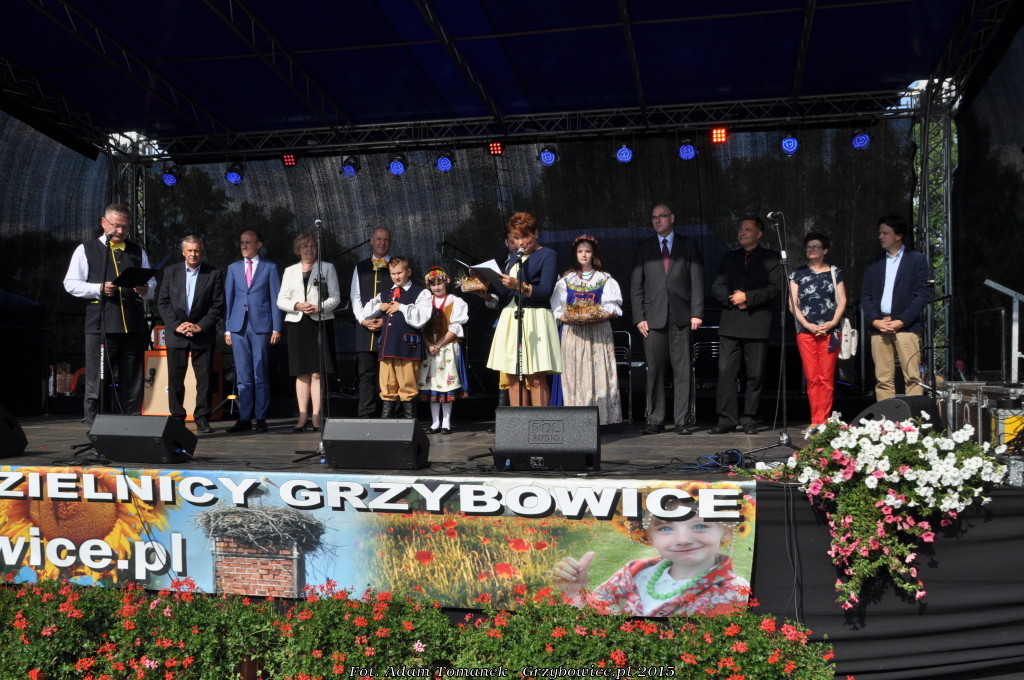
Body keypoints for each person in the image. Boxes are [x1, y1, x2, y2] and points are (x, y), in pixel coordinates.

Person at [550, 491, 751, 617]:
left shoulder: (733, 592)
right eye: (666, 528)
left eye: (699, 526)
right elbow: (592, 622)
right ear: (648, 536)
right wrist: (577, 592)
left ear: (726, 530)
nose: (683, 539)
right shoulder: (634, 572)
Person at [63, 203, 156, 426]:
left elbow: (152, 284)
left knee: (133, 381)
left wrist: (146, 289)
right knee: (98, 381)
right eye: (117, 226)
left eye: (125, 227)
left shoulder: (137, 251)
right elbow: (70, 283)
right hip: (101, 327)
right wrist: (98, 288)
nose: (121, 231)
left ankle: (131, 425)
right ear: (104, 223)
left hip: (133, 326)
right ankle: (96, 426)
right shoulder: (86, 249)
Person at [631, 204, 705, 434]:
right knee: (654, 369)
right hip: (652, 318)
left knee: (682, 369)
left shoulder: (688, 244)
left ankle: (682, 421)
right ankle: (655, 419)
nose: (658, 220)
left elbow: (697, 280)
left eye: (662, 216)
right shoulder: (644, 247)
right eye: (654, 217)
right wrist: (639, 317)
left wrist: (697, 312)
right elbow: (636, 285)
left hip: (682, 316)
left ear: (672, 217)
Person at [709, 216, 782, 435]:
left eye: (747, 229)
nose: (742, 232)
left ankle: (750, 418)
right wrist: (733, 298)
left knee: (755, 374)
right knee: (726, 372)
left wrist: (748, 298)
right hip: (731, 322)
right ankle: (726, 419)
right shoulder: (729, 257)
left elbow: (775, 288)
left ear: (759, 234)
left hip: (757, 322)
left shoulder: (771, 258)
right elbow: (718, 285)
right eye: (740, 229)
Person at [485, 212, 561, 406]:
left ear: (536, 233)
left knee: (536, 377)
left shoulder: (548, 255)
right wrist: (485, 291)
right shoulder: (513, 258)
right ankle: (518, 423)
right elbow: (505, 292)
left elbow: (545, 291)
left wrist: (519, 285)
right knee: (512, 376)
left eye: (525, 236)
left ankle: (541, 422)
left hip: (535, 316)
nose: (520, 242)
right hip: (511, 316)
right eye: (516, 238)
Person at [156, 235, 225, 433]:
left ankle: (202, 418)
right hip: (177, 334)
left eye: (196, 250)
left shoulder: (214, 273)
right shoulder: (171, 271)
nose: (193, 254)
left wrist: (200, 326)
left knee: (204, 379)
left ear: (201, 252)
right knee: (175, 379)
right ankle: (177, 418)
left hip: (202, 334)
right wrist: (177, 326)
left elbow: (218, 304)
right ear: (183, 252)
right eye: (190, 250)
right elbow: (163, 302)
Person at [551, 235, 623, 424]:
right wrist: (571, 318)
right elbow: (557, 309)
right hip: (574, 333)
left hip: (597, 332)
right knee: (575, 374)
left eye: (587, 251)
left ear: (593, 254)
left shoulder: (604, 278)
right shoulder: (566, 279)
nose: (584, 255)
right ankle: (577, 419)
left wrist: (595, 317)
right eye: (580, 251)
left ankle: (600, 417)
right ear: (575, 254)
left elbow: (611, 308)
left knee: (598, 373)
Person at [861, 215, 930, 402]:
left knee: (913, 377)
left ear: (898, 235)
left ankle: (914, 419)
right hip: (880, 325)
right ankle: (887, 418)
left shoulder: (916, 260)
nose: (880, 237)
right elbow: (865, 296)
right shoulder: (874, 263)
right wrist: (875, 321)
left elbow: (922, 294)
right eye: (880, 233)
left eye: (885, 233)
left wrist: (902, 320)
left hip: (906, 326)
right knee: (883, 379)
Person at [277, 232, 341, 432]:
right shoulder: (289, 271)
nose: (309, 249)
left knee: (316, 373)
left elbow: (336, 297)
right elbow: (281, 300)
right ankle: (303, 414)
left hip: (319, 322)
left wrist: (318, 307)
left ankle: (316, 416)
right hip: (297, 324)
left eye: (313, 245)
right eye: (305, 246)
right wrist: (297, 305)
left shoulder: (327, 268)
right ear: (298, 250)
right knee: (301, 372)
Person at [224, 230, 283, 433]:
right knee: (243, 375)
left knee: (260, 373)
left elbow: (275, 299)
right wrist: (227, 329)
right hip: (238, 326)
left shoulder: (270, 267)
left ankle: (261, 418)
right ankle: (245, 418)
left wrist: (276, 327)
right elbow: (229, 300)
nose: (244, 246)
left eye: (248, 242)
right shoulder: (233, 268)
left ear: (259, 245)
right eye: (242, 243)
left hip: (262, 326)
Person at [788, 232, 847, 436]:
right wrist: (807, 324)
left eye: (816, 246)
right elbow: (792, 304)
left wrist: (832, 322)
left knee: (826, 377)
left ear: (825, 250)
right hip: (806, 332)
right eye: (809, 247)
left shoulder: (835, 272)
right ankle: (815, 420)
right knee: (813, 377)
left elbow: (842, 300)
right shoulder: (797, 274)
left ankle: (825, 420)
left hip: (830, 332)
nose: (811, 250)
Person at [366, 257, 432, 418]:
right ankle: (386, 424)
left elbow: (422, 318)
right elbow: (366, 311)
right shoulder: (385, 294)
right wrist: (379, 306)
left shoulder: (421, 293)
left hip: (408, 348)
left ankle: (410, 423)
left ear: (409, 272)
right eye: (393, 273)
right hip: (388, 347)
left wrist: (401, 307)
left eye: (399, 273)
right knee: (387, 385)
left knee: (408, 386)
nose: (396, 277)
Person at [418, 266, 470, 433]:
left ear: (446, 283)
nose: (437, 287)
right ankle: (435, 422)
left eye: (439, 283)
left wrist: (438, 344)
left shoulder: (455, 301)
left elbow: (455, 327)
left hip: (447, 347)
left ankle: (446, 422)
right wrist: (428, 344)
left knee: (446, 385)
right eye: (433, 284)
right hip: (430, 348)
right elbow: (420, 327)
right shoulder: (425, 303)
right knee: (432, 384)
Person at [350, 227, 393, 418]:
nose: (382, 242)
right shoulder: (360, 267)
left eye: (386, 239)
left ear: (390, 242)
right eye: (378, 239)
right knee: (365, 373)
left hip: (389, 328)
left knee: (389, 373)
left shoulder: (396, 266)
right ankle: (366, 414)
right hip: (365, 329)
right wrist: (362, 320)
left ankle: (390, 415)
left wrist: (386, 320)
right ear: (371, 241)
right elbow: (355, 297)